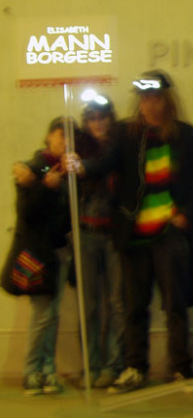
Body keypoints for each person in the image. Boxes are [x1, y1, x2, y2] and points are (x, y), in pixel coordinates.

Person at [70, 70, 193, 394]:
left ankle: (181, 369)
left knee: (175, 305)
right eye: (143, 97)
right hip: (132, 234)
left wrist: (186, 215)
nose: (148, 104)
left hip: (169, 234)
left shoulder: (186, 135)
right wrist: (81, 168)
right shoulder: (125, 133)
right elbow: (105, 163)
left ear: (166, 99)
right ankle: (135, 367)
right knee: (134, 306)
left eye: (154, 97)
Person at [2, 117, 79, 395]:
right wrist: (47, 188)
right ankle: (30, 370)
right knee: (42, 315)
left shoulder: (70, 173)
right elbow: (27, 213)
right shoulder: (32, 169)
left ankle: (46, 369)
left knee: (52, 314)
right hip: (35, 255)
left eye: (70, 137)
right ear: (49, 137)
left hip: (59, 252)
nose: (65, 142)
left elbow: (68, 219)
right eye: (61, 135)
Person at [76, 92, 125, 389]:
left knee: (118, 303)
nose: (97, 123)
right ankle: (90, 365)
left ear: (111, 118)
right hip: (85, 233)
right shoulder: (78, 148)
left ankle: (113, 365)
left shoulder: (122, 148)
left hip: (115, 235)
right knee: (89, 305)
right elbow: (47, 159)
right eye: (92, 117)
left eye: (102, 116)